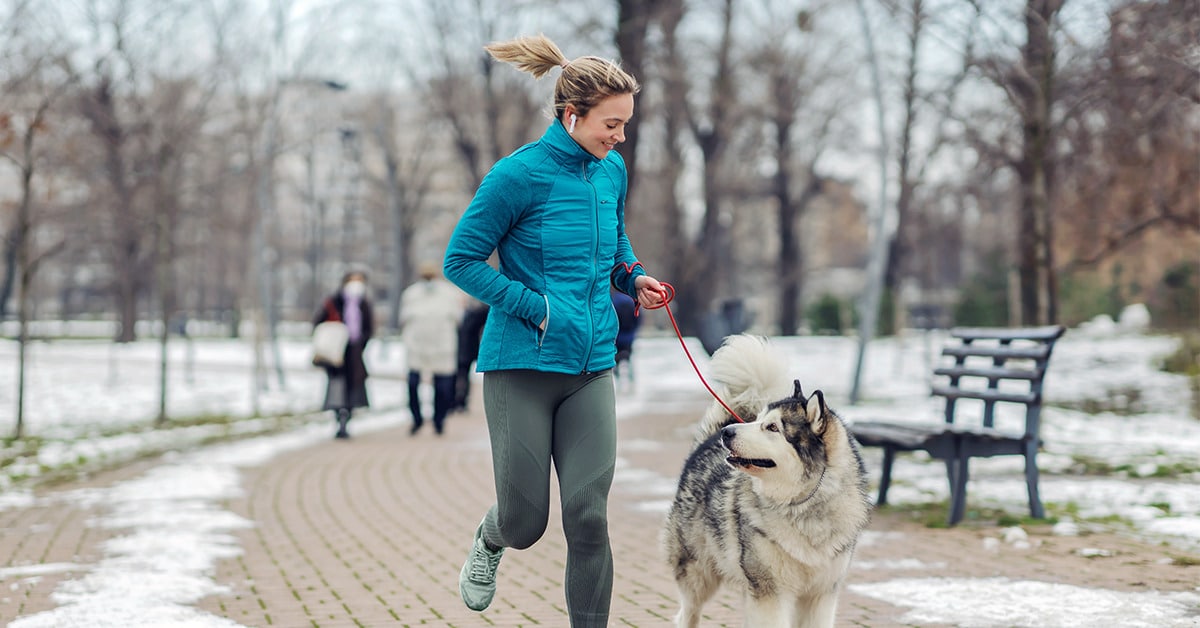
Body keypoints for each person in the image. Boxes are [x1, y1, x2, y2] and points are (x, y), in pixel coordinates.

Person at [442, 34, 666, 627]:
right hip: (523, 365)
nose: (620, 138)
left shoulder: (610, 170)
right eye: (611, 124)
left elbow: (612, 240)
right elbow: (459, 261)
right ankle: (491, 540)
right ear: (572, 115)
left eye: (625, 125)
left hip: (592, 364)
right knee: (525, 522)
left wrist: (633, 275)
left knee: (589, 515)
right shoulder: (518, 176)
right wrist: (536, 306)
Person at [399, 261, 464, 436]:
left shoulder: (450, 294)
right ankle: (417, 419)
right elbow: (403, 318)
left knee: (442, 387)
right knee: (413, 384)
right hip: (417, 345)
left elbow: (458, 318)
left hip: (442, 344)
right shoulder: (411, 294)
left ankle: (439, 420)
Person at [312, 270, 374, 439]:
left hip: (355, 352)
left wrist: (361, 344)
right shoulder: (334, 301)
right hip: (336, 353)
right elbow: (318, 322)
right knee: (337, 387)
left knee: (353, 387)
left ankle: (347, 418)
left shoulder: (363, 303)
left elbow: (368, 328)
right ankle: (339, 420)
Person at [452, 300, 489, 413]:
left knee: (462, 375)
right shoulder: (459, 314)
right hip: (455, 349)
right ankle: (455, 401)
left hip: (466, 350)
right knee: (456, 375)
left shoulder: (476, 313)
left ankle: (461, 401)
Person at [611, 288, 640, 388]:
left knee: (616, 359)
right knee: (629, 358)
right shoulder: (633, 302)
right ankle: (631, 380)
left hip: (616, 337)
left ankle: (617, 379)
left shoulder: (614, 301)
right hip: (629, 337)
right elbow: (638, 318)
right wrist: (634, 331)